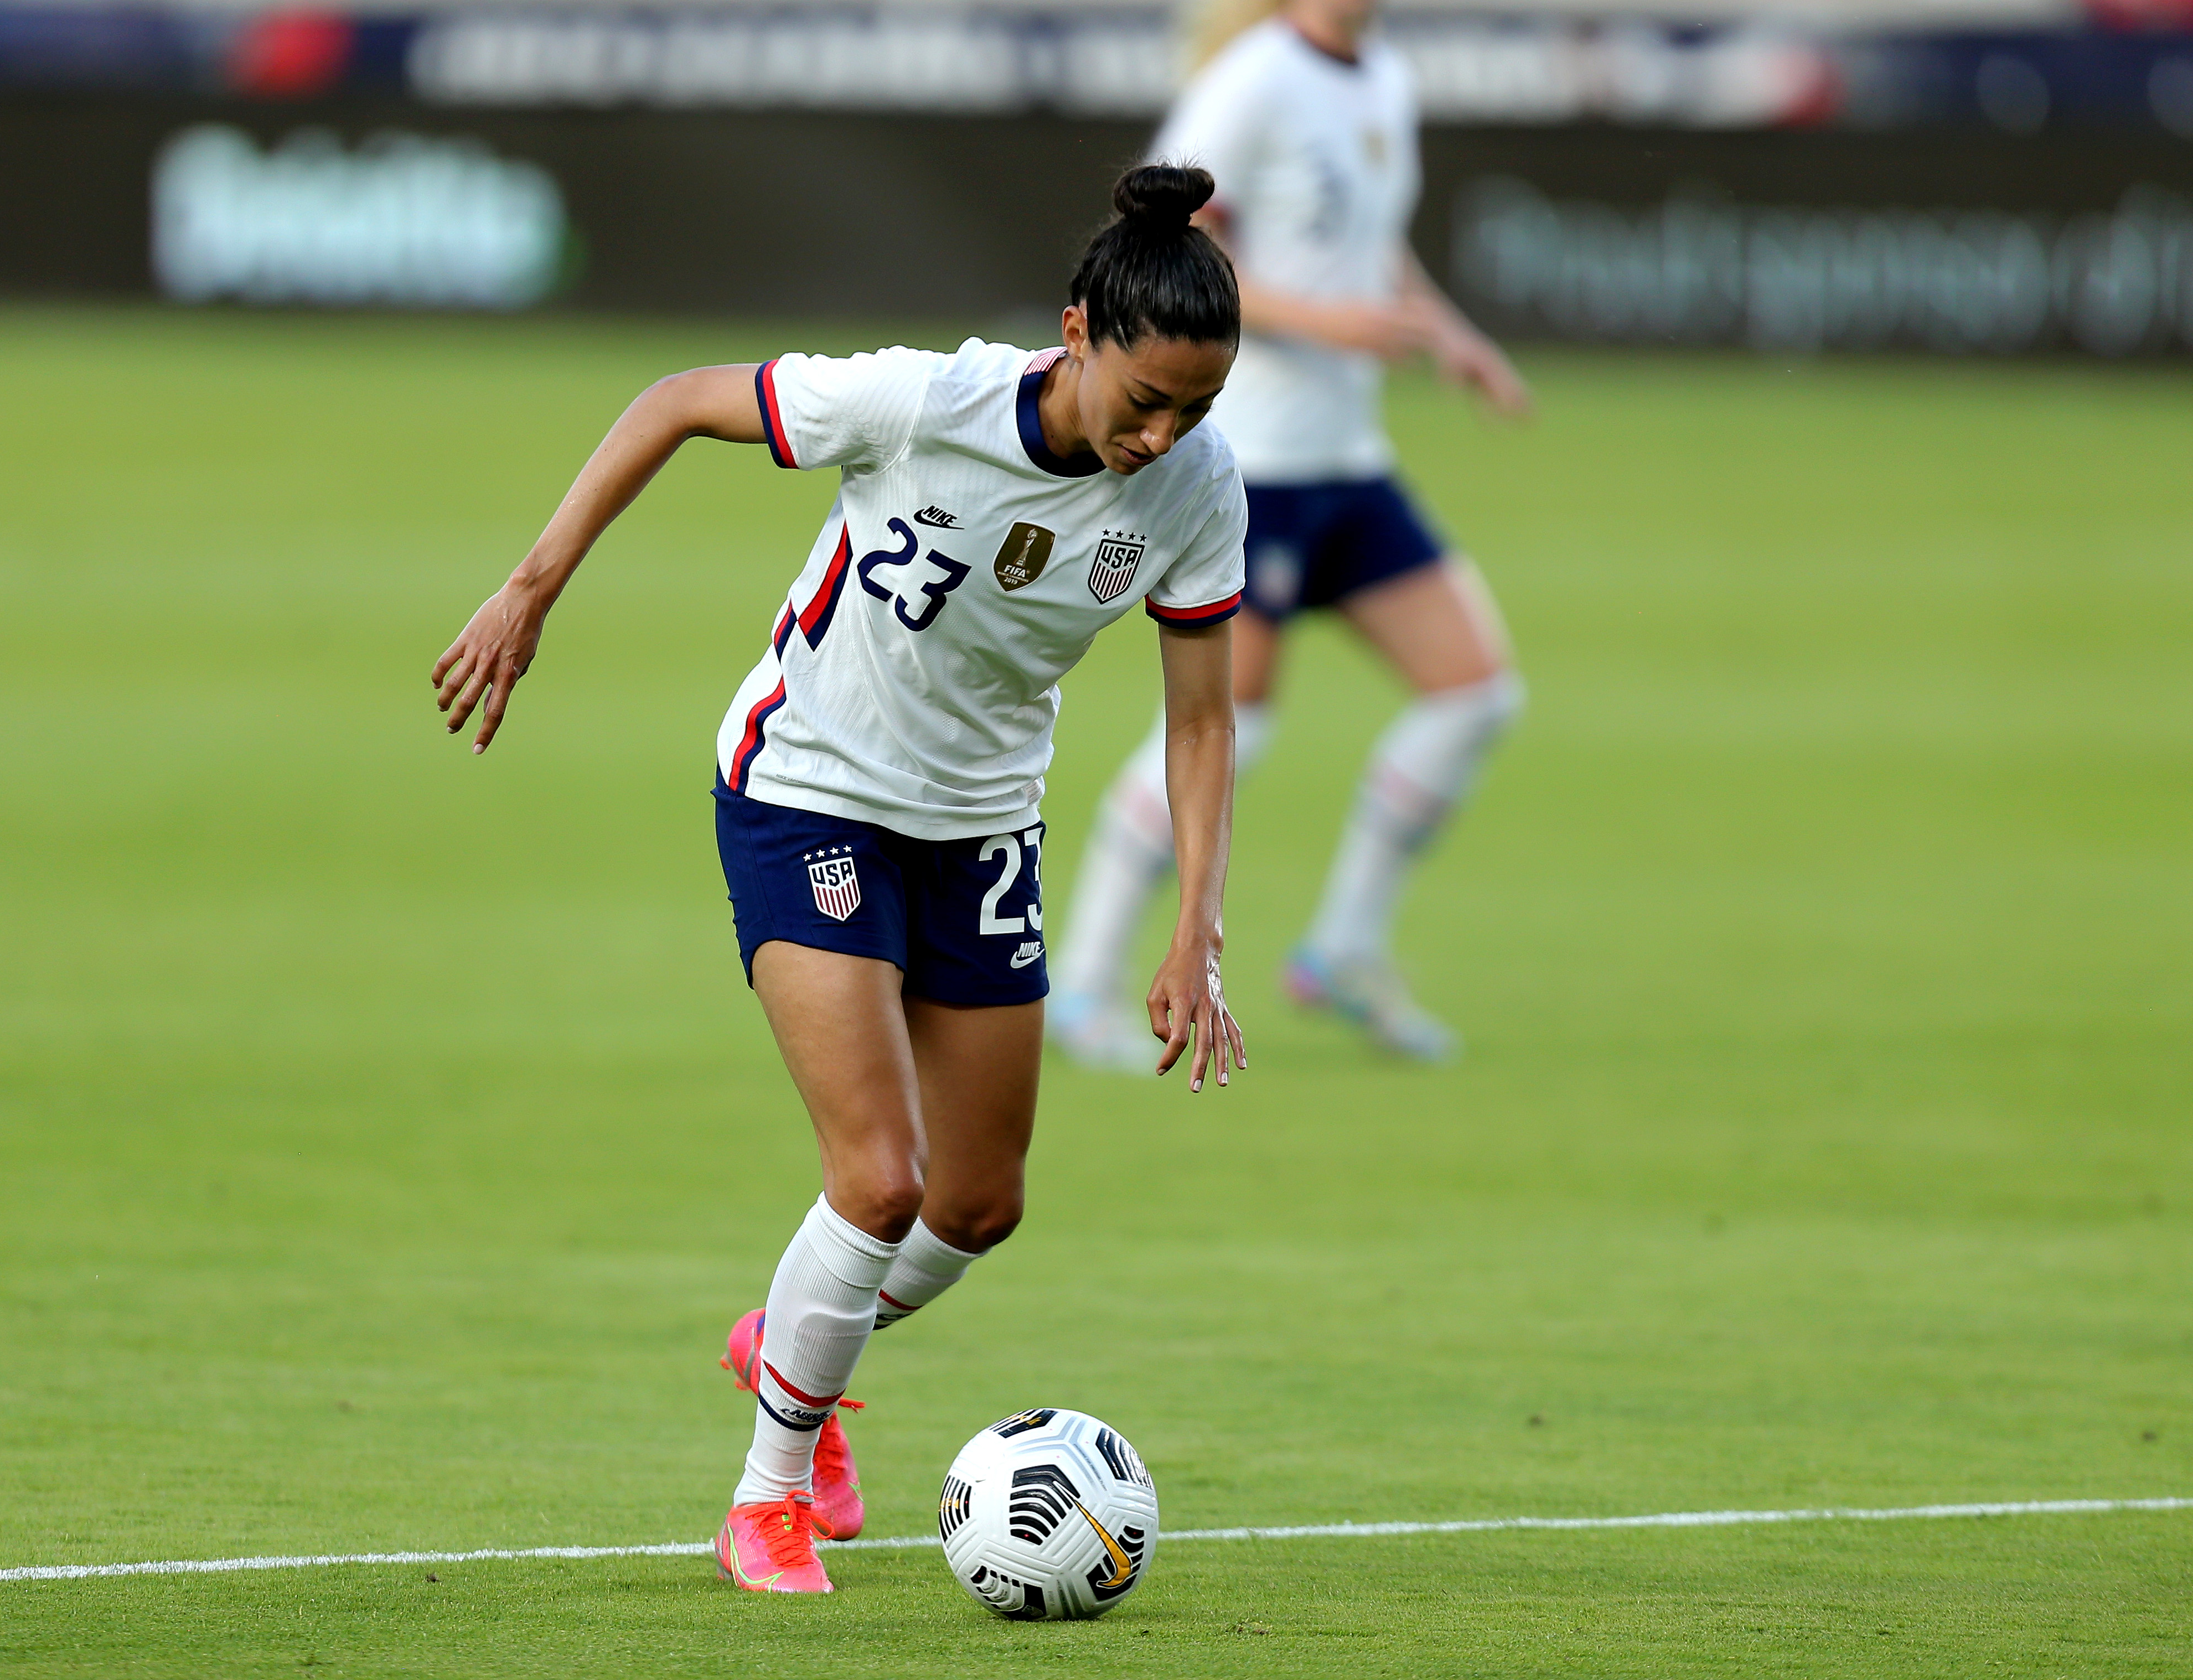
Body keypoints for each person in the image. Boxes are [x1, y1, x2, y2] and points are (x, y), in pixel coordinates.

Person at [431, 166, 1250, 1596]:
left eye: (1196, 408)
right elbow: (677, 400)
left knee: (978, 1203)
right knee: (876, 1182)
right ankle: (768, 1496)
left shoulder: (1194, 492)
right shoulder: (923, 402)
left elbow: (1198, 719)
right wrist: (531, 584)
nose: (1162, 432)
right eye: (1144, 400)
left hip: (981, 824)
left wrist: (1194, 930)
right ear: (1077, 333)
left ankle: (792, 1334)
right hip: (805, 783)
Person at [1048, 0, 1530, 1068]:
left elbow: (1369, 246)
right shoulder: (1253, 78)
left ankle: (1343, 949)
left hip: (1348, 459)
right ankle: (1079, 982)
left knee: (1476, 693)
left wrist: (1449, 336)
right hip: (1253, 462)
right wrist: (1331, 323)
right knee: (1231, 727)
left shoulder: (1385, 79)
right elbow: (1176, 260)